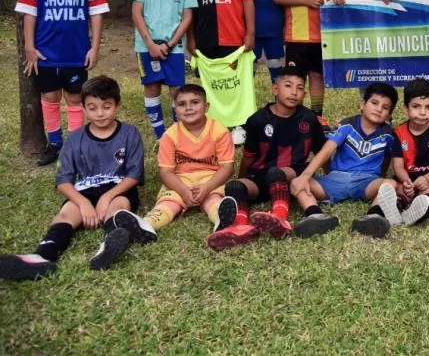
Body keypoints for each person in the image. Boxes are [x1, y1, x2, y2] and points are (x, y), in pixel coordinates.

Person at [0, 77, 144, 279]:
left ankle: (108, 246)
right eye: (92, 108)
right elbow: (63, 181)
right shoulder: (75, 139)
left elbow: (134, 175)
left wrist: (106, 198)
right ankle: (41, 257)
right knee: (67, 214)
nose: (100, 113)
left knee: (117, 209)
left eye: (106, 106)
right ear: (83, 108)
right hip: (84, 190)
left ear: (117, 106)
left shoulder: (130, 133)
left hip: (118, 189)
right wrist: (83, 202)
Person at [206, 67, 341, 246]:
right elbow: (248, 156)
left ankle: (280, 218)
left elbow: (321, 153)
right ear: (275, 89)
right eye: (288, 85)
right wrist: (242, 179)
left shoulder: (308, 119)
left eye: (300, 88)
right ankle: (239, 227)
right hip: (260, 176)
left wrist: (332, 178)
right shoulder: (257, 120)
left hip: (291, 173)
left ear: (305, 93)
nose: (294, 92)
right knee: (234, 187)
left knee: (276, 173)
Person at [113, 84, 254, 251]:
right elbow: (166, 172)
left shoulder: (219, 131)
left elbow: (226, 168)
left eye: (195, 102)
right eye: (182, 104)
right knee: (168, 203)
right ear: (175, 109)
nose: (188, 108)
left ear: (206, 106)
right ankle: (146, 224)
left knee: (214, 200)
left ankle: (222, 221)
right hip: (179, 181)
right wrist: (184, 191)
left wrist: (207, 187)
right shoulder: (170, 135)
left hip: (211, 179)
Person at [15, 0, 110, 166]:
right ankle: (55, 143)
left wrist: (95, 47)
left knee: (75, 98)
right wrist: (30, 47)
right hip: (45, 53)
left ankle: (75, 145)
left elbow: (97, 14)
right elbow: (29, 14)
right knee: (49, 96)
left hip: (76, 52)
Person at [289, 82, 403, 239]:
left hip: (367, 182)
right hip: (335, 179)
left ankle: (373, 216)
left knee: (389, 185)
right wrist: (305, 176)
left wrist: (382, 177)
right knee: (299, 183)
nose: (378, 109)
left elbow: (388, 159)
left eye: (385, 107)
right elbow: (326, 151)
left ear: (389, 114)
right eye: (374, 103)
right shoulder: (347, 125)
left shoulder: (389, 134)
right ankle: (314, 215)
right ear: (362, 104)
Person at [186, 0, 258, 142]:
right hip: (205, 37)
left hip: (234, 37)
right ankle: (215, 126)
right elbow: (189, 7)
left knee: (236, 85)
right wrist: (191, 38)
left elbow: (248, 1)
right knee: (212, 84)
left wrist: (250, 33)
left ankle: (239, 125)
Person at [129, 0, 197, 140]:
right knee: (151, 85)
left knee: (177, 88)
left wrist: (171, 43)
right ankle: (160, 133)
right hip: (146, 46)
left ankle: (178, 132)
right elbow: (136, 12)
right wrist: (150, 43)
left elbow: (187, 16)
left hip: (173, 47)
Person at [273, 0, 345, 118]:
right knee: (295, 79)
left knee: (317, 76)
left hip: (321, 36)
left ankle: (317, 116)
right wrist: (305, 1)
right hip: (296, 37)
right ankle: (294, 114)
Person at [389, 78, 429, 226]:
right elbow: (398, 166)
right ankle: (397, 207)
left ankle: (420, 210)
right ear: (406, 108)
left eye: (428, 107)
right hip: (406, 177)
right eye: (416, 106)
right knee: (399, 188)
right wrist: (407, 182)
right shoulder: (398, 133)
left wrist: (426, 179)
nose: (422, 112)